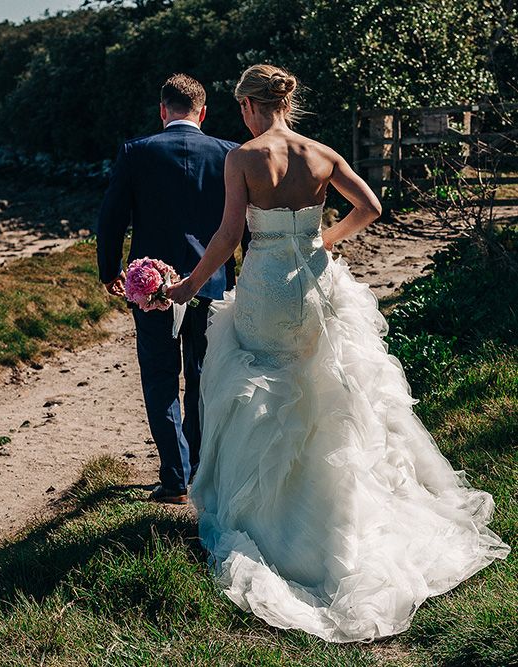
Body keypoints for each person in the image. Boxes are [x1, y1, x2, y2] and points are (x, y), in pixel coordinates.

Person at [166, 64, 509, 642]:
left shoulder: (243, 158)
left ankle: (268, 518)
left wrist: (185, 288)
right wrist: (323, 240)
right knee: (330, 391)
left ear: (249, 107)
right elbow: (371, 207)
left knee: (260, 394)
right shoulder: (320, 153)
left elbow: (228, 237)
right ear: (285, 104)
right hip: (317, 283)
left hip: (268, 287)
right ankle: (338, 510)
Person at [96, 73, 242, 505]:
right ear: (203, 112)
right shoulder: (228, 153)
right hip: (212, 283)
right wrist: (248, 271)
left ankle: (174, 479)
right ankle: (199, 472)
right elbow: (243, 222)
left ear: (163, 111)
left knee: (160, 378)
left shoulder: (136, 152)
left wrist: (110, 270)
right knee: (201, 377)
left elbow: (111, 218)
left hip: (151, 285)